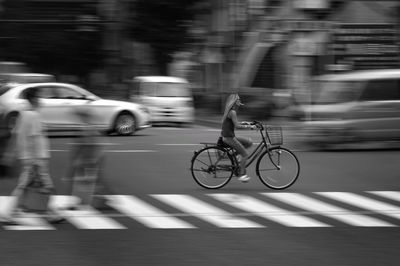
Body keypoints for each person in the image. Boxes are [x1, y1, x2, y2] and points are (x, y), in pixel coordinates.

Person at [4, 87, 54, 222]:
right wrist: (36, 162)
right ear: (33, 99)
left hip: (28, 158)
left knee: (28, 186)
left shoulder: (23, 114)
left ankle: (49, 212)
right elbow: (35, 140)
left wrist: (11, 154)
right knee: (42, 185)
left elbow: (16, 135)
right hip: (36, 159)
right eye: (38, 97)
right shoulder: (33, 116)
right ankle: (10, 214)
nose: (40, 101)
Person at [220, 93, 256, 182]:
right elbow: (237, 126)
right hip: (229, 138)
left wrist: (247, 123)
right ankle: (241, 175)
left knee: (249, 142)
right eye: (238, 99)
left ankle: (234, 156)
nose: (239, 101)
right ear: (234, 101)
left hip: (229, 137)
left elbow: (236, 123)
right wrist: (250, 127)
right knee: (245, 155)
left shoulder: (231, 111)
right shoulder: (232, 112)